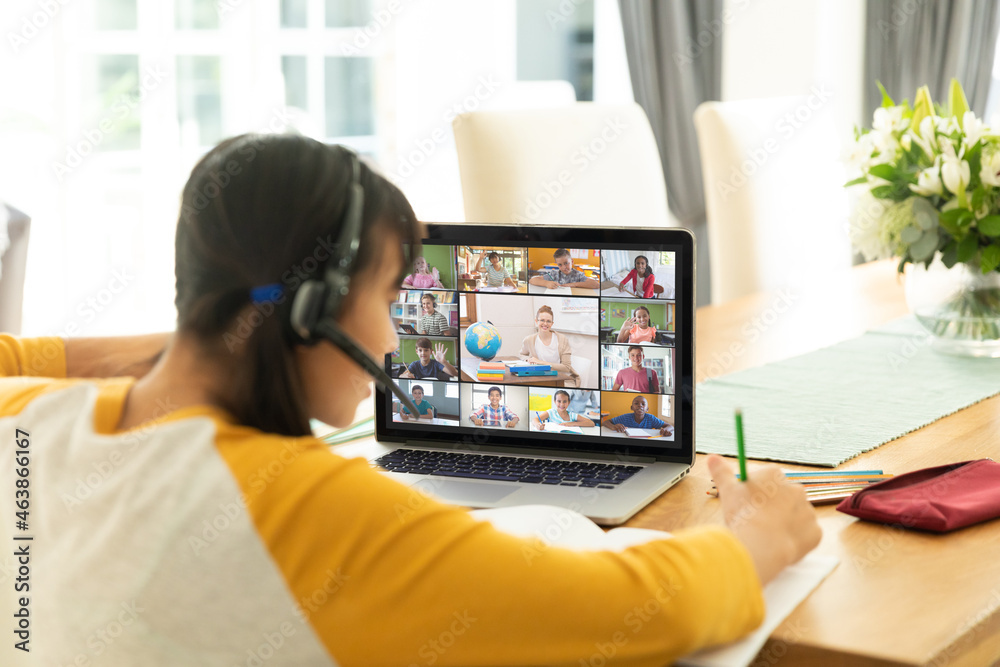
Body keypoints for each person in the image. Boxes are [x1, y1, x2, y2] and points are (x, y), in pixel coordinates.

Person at [0, 133, 822, 665]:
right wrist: (758, 534)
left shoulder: (25, 419)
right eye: (392, 293)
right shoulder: (298, 505)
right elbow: (632, 609)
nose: (396, 339)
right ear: (315, 306)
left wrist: (202, 340)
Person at [518, 305, 580, 387]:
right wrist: (528, 359)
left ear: (552, 323)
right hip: (539, 377)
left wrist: (542, 362)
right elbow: (522, 354)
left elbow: (566, 367)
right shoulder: (529, 340)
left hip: (560, 379)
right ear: (536, 321)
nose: (545, 324)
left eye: (548, 321)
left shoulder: (562, 339)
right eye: (542, 320)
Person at [602, 395, 673, 437]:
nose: (640, 405)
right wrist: (613, 426)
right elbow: (605, 422)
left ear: (647, 409)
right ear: (631, 408)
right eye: (636, 403)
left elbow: (670, 426)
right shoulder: (625, 417)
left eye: (643, 404)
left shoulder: (651, 418)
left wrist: (666, 430)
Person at [529, 248, 599, 289]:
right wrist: (546, 283)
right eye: (560, 265)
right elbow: (532, 280)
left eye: (566, 263)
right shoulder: (554, 274)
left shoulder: (578, 275)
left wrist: (574, 284)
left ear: (572, 261)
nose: (564, 267)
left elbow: (596, 284)